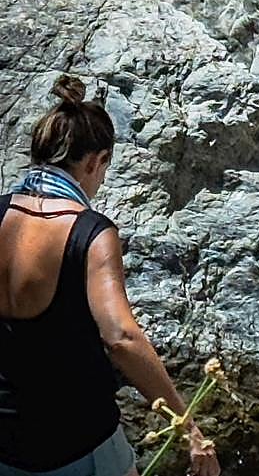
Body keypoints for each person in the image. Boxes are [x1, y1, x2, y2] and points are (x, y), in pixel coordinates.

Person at [0, 76, 220, 476]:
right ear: (93, 162)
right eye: (104, 169)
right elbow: (121, 338)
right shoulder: (90, 233)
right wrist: (188, 428)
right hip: (77, 442)